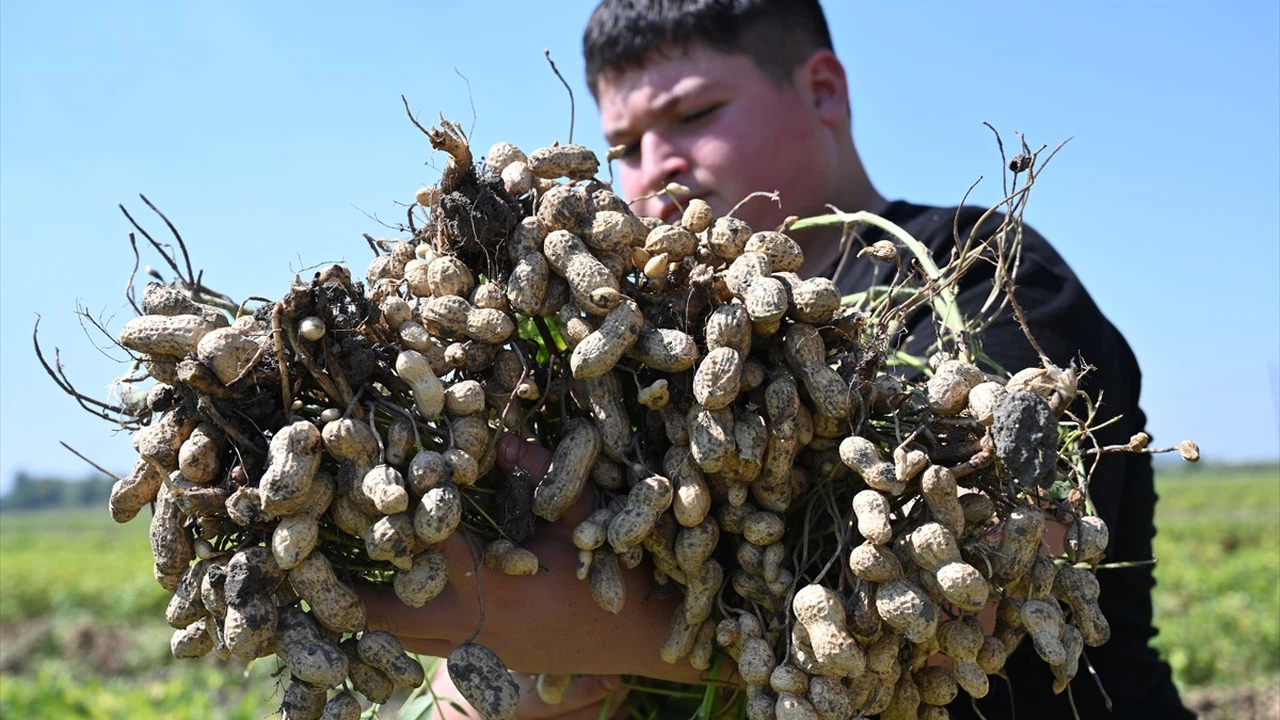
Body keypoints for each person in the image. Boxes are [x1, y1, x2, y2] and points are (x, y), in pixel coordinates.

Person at [362, 1, 1193, 717]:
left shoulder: (976, 275)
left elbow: (978, 597)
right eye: (625, 147)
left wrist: (599, 636)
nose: (657, 165)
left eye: (694, 113)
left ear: (823, 90)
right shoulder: (636, 344)